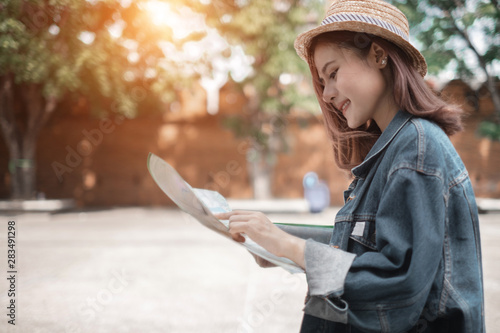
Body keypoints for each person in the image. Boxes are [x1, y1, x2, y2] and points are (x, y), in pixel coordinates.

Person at [214, 0, 485, 331]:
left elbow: (399, 281)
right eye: (322, 81)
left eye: (333, 73)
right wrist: (273, 238)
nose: (327, 94)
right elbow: (362, 245)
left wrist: (293, 248)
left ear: (378, 55)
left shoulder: (417, 148)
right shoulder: (394, 148)